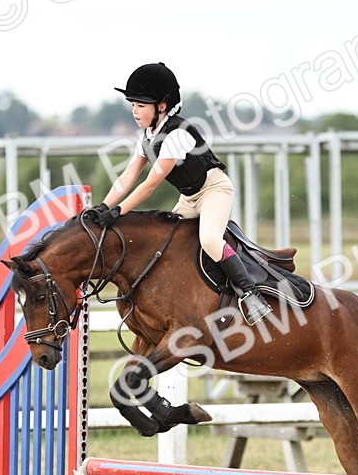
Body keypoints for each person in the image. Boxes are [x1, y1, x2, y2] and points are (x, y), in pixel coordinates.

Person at [89, 62, 271, 325]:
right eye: (133, 104)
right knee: (168, 241)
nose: (134, 111)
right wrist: (104, 206)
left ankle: (252, 295)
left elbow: (150, 184)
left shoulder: (176, 135)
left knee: (209, 239)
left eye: (140, 105)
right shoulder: (148, 135)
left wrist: (119, 212)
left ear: (161, 106)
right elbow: (129, 175)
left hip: (214, 190)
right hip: (189, 197)